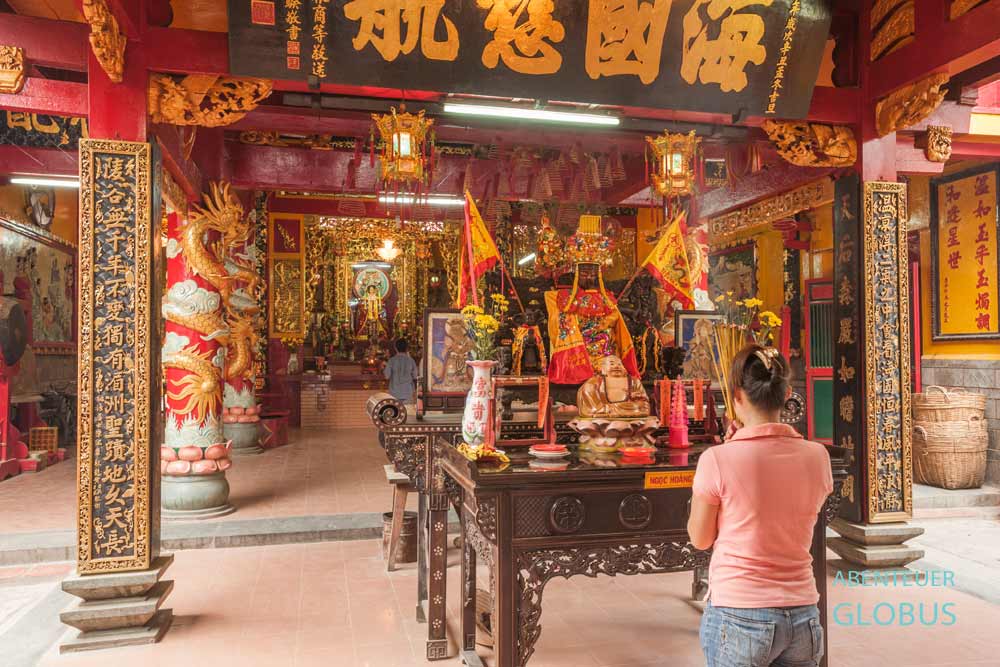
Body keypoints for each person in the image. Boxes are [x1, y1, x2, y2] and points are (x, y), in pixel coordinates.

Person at [688, 344, 833, 667]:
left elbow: (700, 538)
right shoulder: (817, 457)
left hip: (739, 611)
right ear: (785, 395)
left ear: (737, 396)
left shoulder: (717, 459)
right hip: (803, 614)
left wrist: (733, 449)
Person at [383, 338, 418, 403]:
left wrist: (384, 367)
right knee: (408, 412)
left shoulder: (391, 361)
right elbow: (415, 376)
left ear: (395, 348)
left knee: (395, 412)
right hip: (408, 393)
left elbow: (386, 376)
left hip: (394, 394)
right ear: (407, 348)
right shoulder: (411, 361)